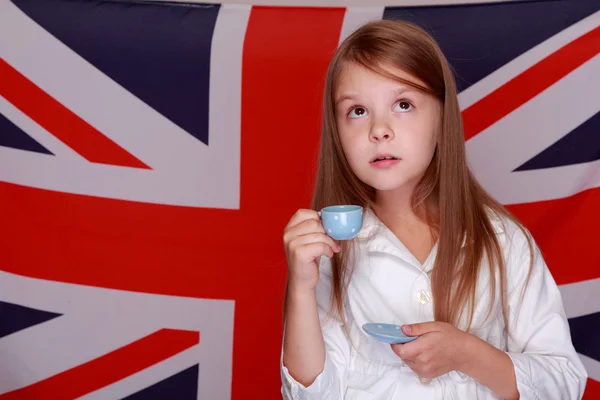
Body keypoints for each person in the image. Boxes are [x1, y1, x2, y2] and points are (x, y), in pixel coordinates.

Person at [280, 19, 587, 400]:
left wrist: (468, 353)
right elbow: (310, 394)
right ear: (338, 133)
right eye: (357, 111)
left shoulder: (504, 241)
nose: (379, 129)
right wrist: (300, 288)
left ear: (442, 119)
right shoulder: (328, 253)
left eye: (403, 104)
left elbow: (565, 383)